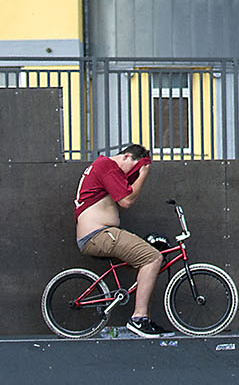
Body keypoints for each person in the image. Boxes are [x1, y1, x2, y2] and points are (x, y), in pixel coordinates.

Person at [73, 144, 173, 337]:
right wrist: (144, 173)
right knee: (152, 258)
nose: (132, 176)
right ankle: (138, 319)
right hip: (98, 234)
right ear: (126, 156)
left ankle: (146, 320)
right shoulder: (106, 165)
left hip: (101, 233)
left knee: (149, 265)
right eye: (134, 169)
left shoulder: (104, 169)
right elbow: (126, 201)